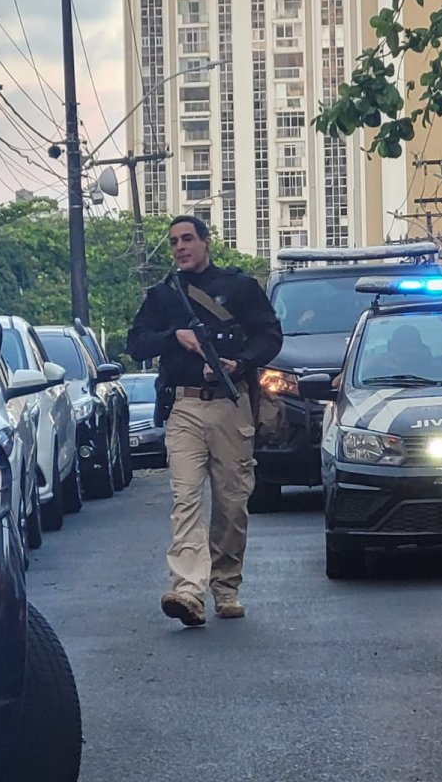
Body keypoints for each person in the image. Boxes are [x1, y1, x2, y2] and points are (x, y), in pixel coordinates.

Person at [127, 216, 283, 627]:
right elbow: (135, 341)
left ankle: (226, 585)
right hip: (184, 407)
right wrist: (173, 336)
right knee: (186, 500)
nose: (180, 247)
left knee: (232, 503)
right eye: (174, 241)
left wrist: (239, 363)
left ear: (206, 242)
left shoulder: (239, 287)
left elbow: (270, 336)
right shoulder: (163, 296)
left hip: (231, 406)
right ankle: (188, 590)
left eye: (187, 239)